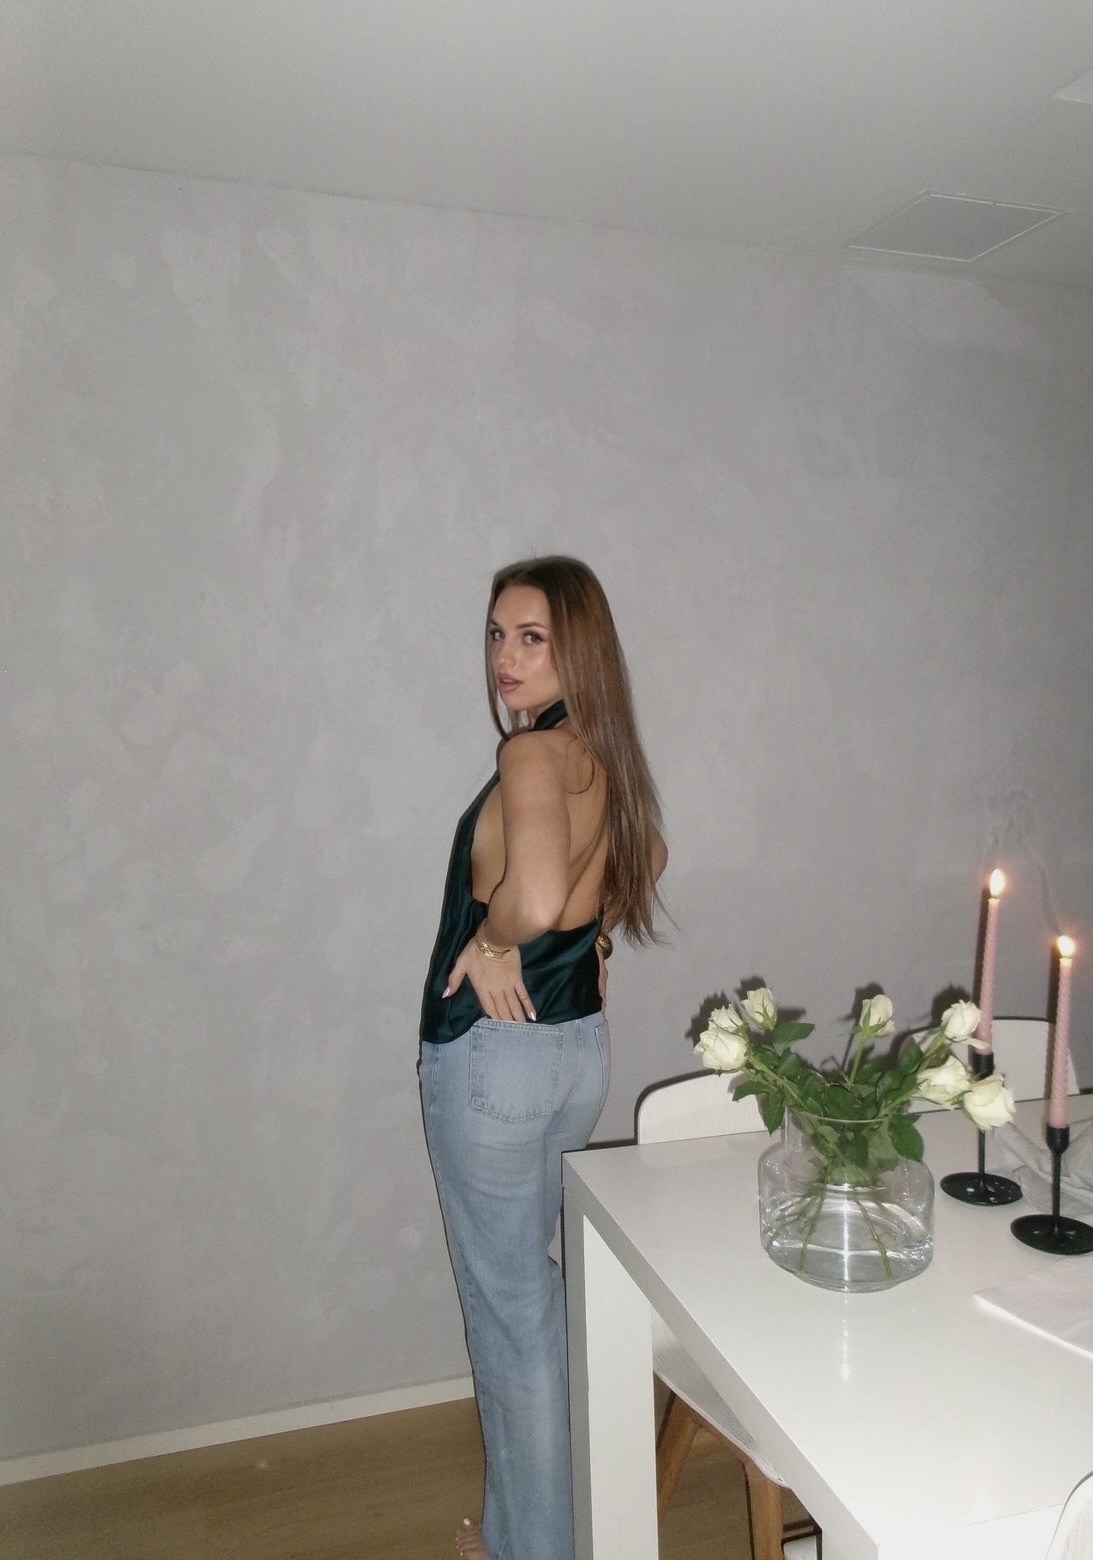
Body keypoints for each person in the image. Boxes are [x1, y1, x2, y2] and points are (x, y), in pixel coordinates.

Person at [418, 555, 666, 1560]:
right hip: (574, 1057)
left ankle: (534, 1551)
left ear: (579, 651)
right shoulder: (601, 756)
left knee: (510, 1314)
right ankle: (530, 1529)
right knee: (532, 1300)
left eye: (533, 638)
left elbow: (533, 895)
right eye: (496, 634)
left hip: (495, 1064)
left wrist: (490, 941)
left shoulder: (530, 754)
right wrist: (589, 941)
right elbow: (643, 861)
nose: (505, 658)